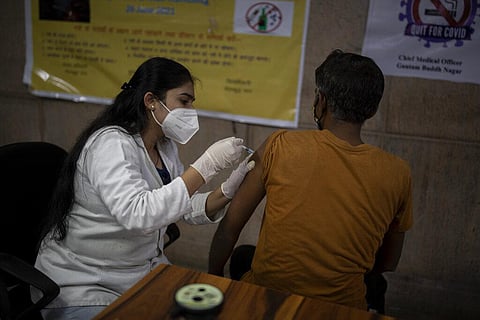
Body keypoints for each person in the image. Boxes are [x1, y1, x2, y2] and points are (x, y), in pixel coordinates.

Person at [33, 57, 254, 320]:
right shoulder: (111, 144)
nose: (191, 110)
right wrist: (206, 165)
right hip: (85, 282)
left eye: (192, 102)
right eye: (184, 101)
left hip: (137, 274)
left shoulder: (164, 147)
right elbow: (139, 214)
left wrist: (226, 191)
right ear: (151, 101)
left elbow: (178, 204)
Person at [208, 49, 413, 311]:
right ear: (371, 110)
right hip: (343, 308)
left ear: (322, 101)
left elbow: (229, 228)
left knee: (241, 257)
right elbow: (388, 263)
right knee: (375, 285)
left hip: (268, 302)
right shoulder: (398, 172)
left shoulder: (280, 145)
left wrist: (213, 280)